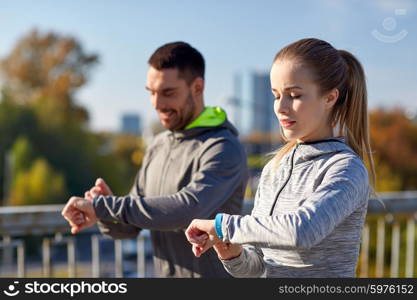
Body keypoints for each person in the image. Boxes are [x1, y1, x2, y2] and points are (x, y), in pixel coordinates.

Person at [185, 38, 376, 278]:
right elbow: (255, 268)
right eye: (276, 95)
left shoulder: (346, 168)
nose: (281, 107)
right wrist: (231, 252)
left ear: (330, 97)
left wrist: (225, 226)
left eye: (294, 95)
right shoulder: (275, 168)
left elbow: (302, 231)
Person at [61, 41, 248, 278]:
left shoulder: (223, 147)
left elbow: (186, 210)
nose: (157, 104)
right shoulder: (158, 145)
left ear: (197, 88)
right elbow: (129, 229)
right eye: (151, 92)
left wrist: (104, 206)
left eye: (168, 93)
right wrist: (104, 211)